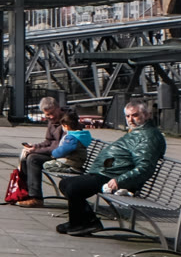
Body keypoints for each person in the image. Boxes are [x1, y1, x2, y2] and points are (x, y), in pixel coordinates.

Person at [58, 101, 165, 236]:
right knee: (65, 183)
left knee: (73, 188)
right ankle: (83, 221)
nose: (130, 119)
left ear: (147, 115)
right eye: (127, 116)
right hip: (108, 173)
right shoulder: (139, 132)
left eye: (135, 115)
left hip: (114, 178)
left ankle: (84, 223)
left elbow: (145, 167)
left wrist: (120, 180)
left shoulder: (148, 136)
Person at [12, 97, 68, 208]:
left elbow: (59, 147)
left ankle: (36, 197)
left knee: (33, 159)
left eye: (52, 113)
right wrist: (35, 146)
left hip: (64, 156)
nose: (51, 117)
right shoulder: (52, 121)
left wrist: (36, 150)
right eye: (47, 115)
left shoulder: (67, 122)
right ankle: (26, 192)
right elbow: (48, 141)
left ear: (58, 108)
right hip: (54, 153)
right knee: (26, 156)